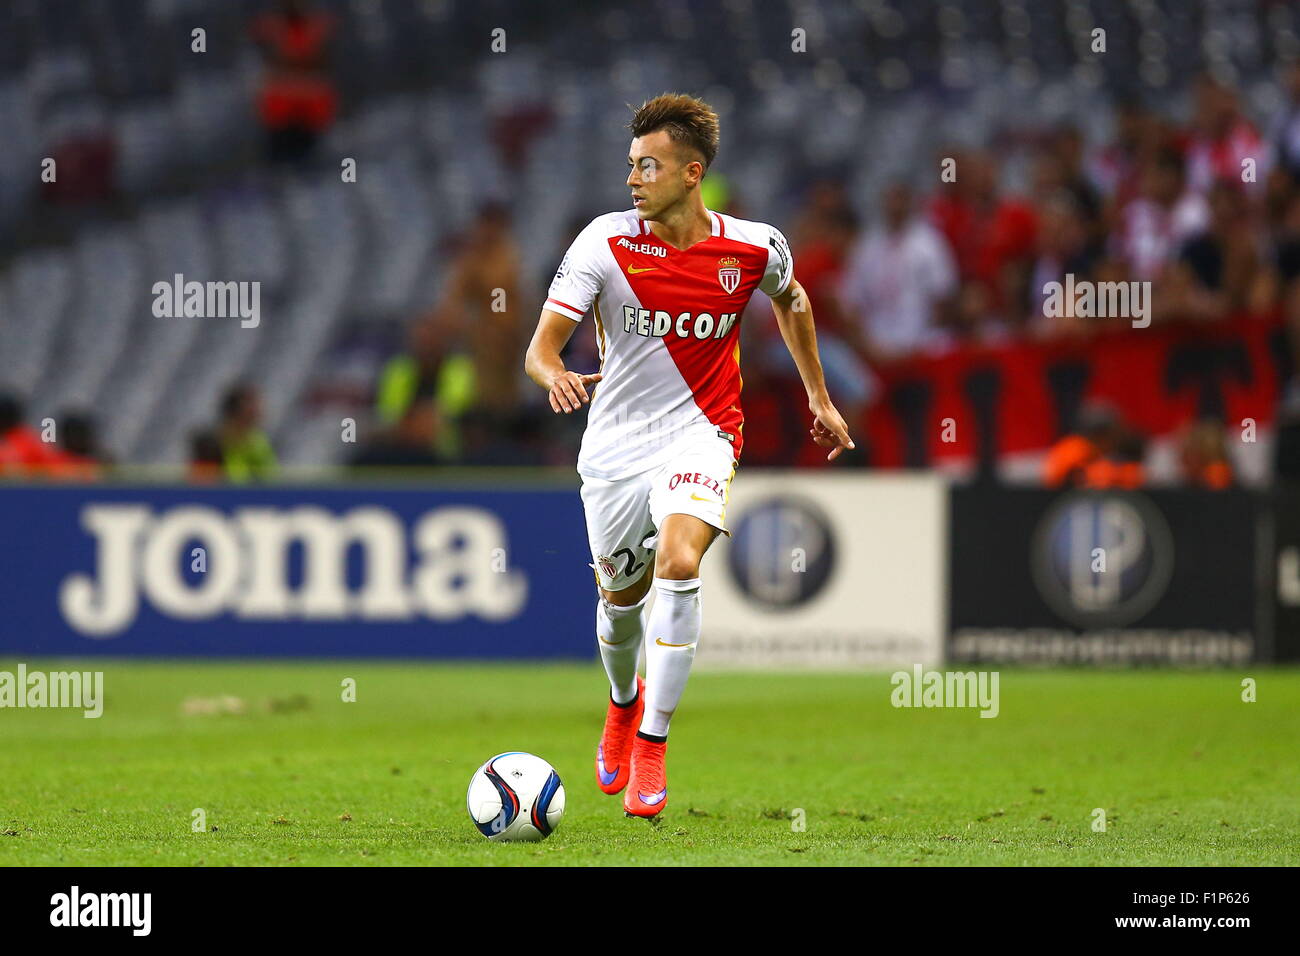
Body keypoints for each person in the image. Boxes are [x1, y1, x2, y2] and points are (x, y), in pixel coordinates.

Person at [523, 94, 853, 819]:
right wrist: (557, 376)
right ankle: (621, 701)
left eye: (650, 165)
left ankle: (652, 742)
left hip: (703, 433)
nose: (634, 178)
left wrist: (819, 398)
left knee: (679, 561)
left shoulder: (753, 247)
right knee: (620, 602)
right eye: (630, 165)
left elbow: (792, 300)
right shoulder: (603, 243)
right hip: (613, 446)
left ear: (691, 172)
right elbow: (539, 351)